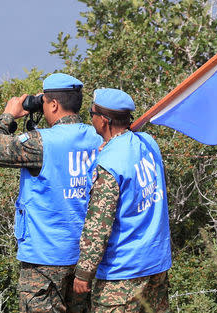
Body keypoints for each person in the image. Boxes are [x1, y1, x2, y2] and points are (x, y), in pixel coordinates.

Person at [0, 73, 103, 313]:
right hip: (86, 257)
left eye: (45, 102)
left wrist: (9, 115)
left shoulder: (40, 143)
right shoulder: (98, 137)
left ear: (54, 105)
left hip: (44, 259)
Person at [73, 88, 172, 312]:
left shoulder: (110, 164)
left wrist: (84, 273)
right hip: (155, 264)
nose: (91, 119)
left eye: (92, 114)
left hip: (122, 274)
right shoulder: (148, 143)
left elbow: (98, 225)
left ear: (104, 121)